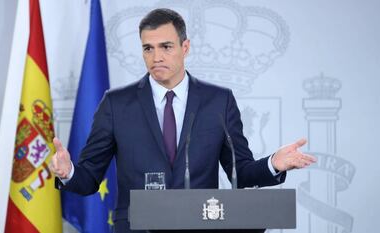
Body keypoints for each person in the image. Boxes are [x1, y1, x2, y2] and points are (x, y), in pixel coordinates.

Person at [51, 8, 316, 233]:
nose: (156, 57)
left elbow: (241, 173)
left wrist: (274, 164)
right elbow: (88, 178)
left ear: (185, 47)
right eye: (148, 48)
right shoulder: (116, 103)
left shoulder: (218, 102)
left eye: (166, 46)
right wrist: (69, 172)